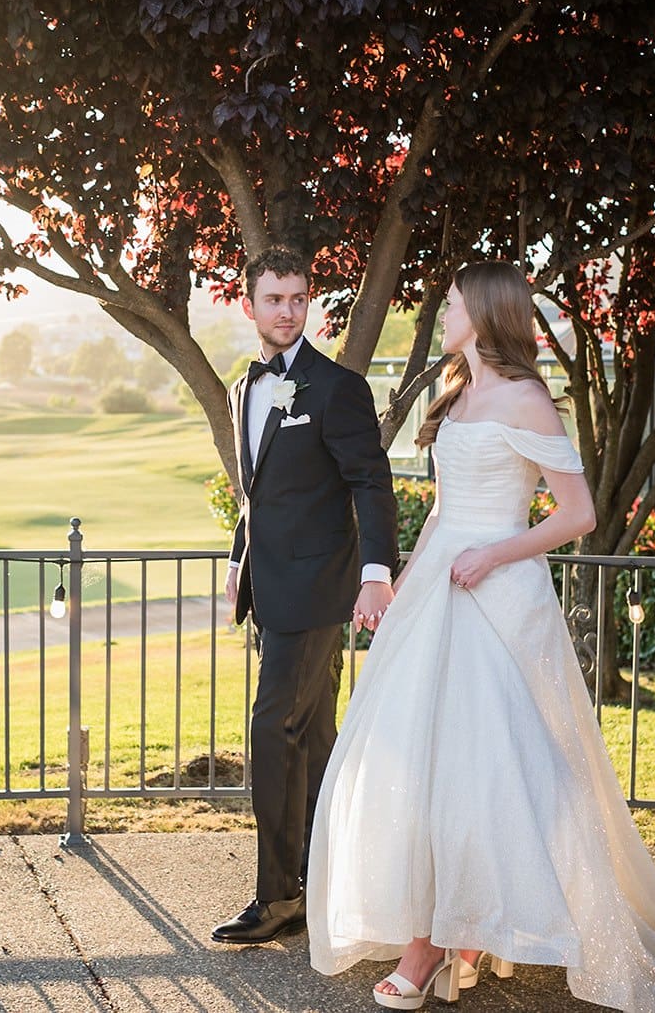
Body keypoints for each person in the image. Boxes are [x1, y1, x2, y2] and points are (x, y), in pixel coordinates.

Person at [305, 261, 655, 1011]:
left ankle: (438, 943)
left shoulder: (528, 398)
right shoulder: (457, 391)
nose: (443, 315)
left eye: (452, 304)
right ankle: (455, 931)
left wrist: (492, 555)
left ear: (485, 311)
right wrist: (399, 587)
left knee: (491, 767)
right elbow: (442, 511)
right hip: (440, 587)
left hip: (499, 594)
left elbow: (577, 515)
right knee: (424, 762)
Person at [211, 244, 400, 946]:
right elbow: (256, 493)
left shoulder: (336, 387)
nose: (288, 311)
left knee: (272, 731)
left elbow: (370, 483)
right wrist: (240, 556)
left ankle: (277, 896)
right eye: (274, 299)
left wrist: (377, 572)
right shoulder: (242, 388)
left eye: (298, 299)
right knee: (315, 738)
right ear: (249, 305)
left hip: (318, 591)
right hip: (271, 589)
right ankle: (323, 880)